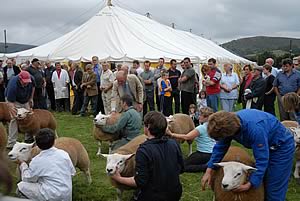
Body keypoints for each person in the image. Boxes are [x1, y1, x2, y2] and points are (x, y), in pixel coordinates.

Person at [201, 109, 295, 201]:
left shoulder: (255, 130)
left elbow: (262, 160)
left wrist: (250, 184)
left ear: (229, 132)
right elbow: (220, 147)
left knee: (273, 186)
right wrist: (209, 170)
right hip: (265, 143)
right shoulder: (228, 122)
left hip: (281, 147)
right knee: (263, 180)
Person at [111, 111, 184, 201]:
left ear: (148, 127)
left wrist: (118, 178)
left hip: (154, 196)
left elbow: (140, 181)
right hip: (175, 193)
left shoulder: (143, 151)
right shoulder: (174, 144)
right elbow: (181, 168)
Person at [16, 128, 75, 201]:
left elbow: (27, 179)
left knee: (21, 187)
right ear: (53, 142)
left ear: (37, 144)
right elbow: (72, 173)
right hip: (66, 194)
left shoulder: (37, 160)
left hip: (50, 195)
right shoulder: (64, 154)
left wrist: (22, 164)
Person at [167, 107, 215, 172]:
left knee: (181, 166)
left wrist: (171, 134)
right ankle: (207, 164)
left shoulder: (201, 128)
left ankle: (205, 167)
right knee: (188, 160)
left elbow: (187, 137)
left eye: (200, 115)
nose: (199, 117)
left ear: (206, 118)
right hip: (213, 153)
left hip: (203, 153)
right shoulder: (213, 126)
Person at [5, 71, 35, 148]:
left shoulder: (31, 79)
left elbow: (33, 87)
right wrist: (13, 110)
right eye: (24, 82)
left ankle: (28, 138)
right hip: (14, 101)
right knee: (14, 119)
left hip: (25, 99)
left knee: (28, 116)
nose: (26, 83)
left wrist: (31, 98)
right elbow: (10, 102)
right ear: (20, 79)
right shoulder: (13, 85)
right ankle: (11, 142)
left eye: (27, 82)